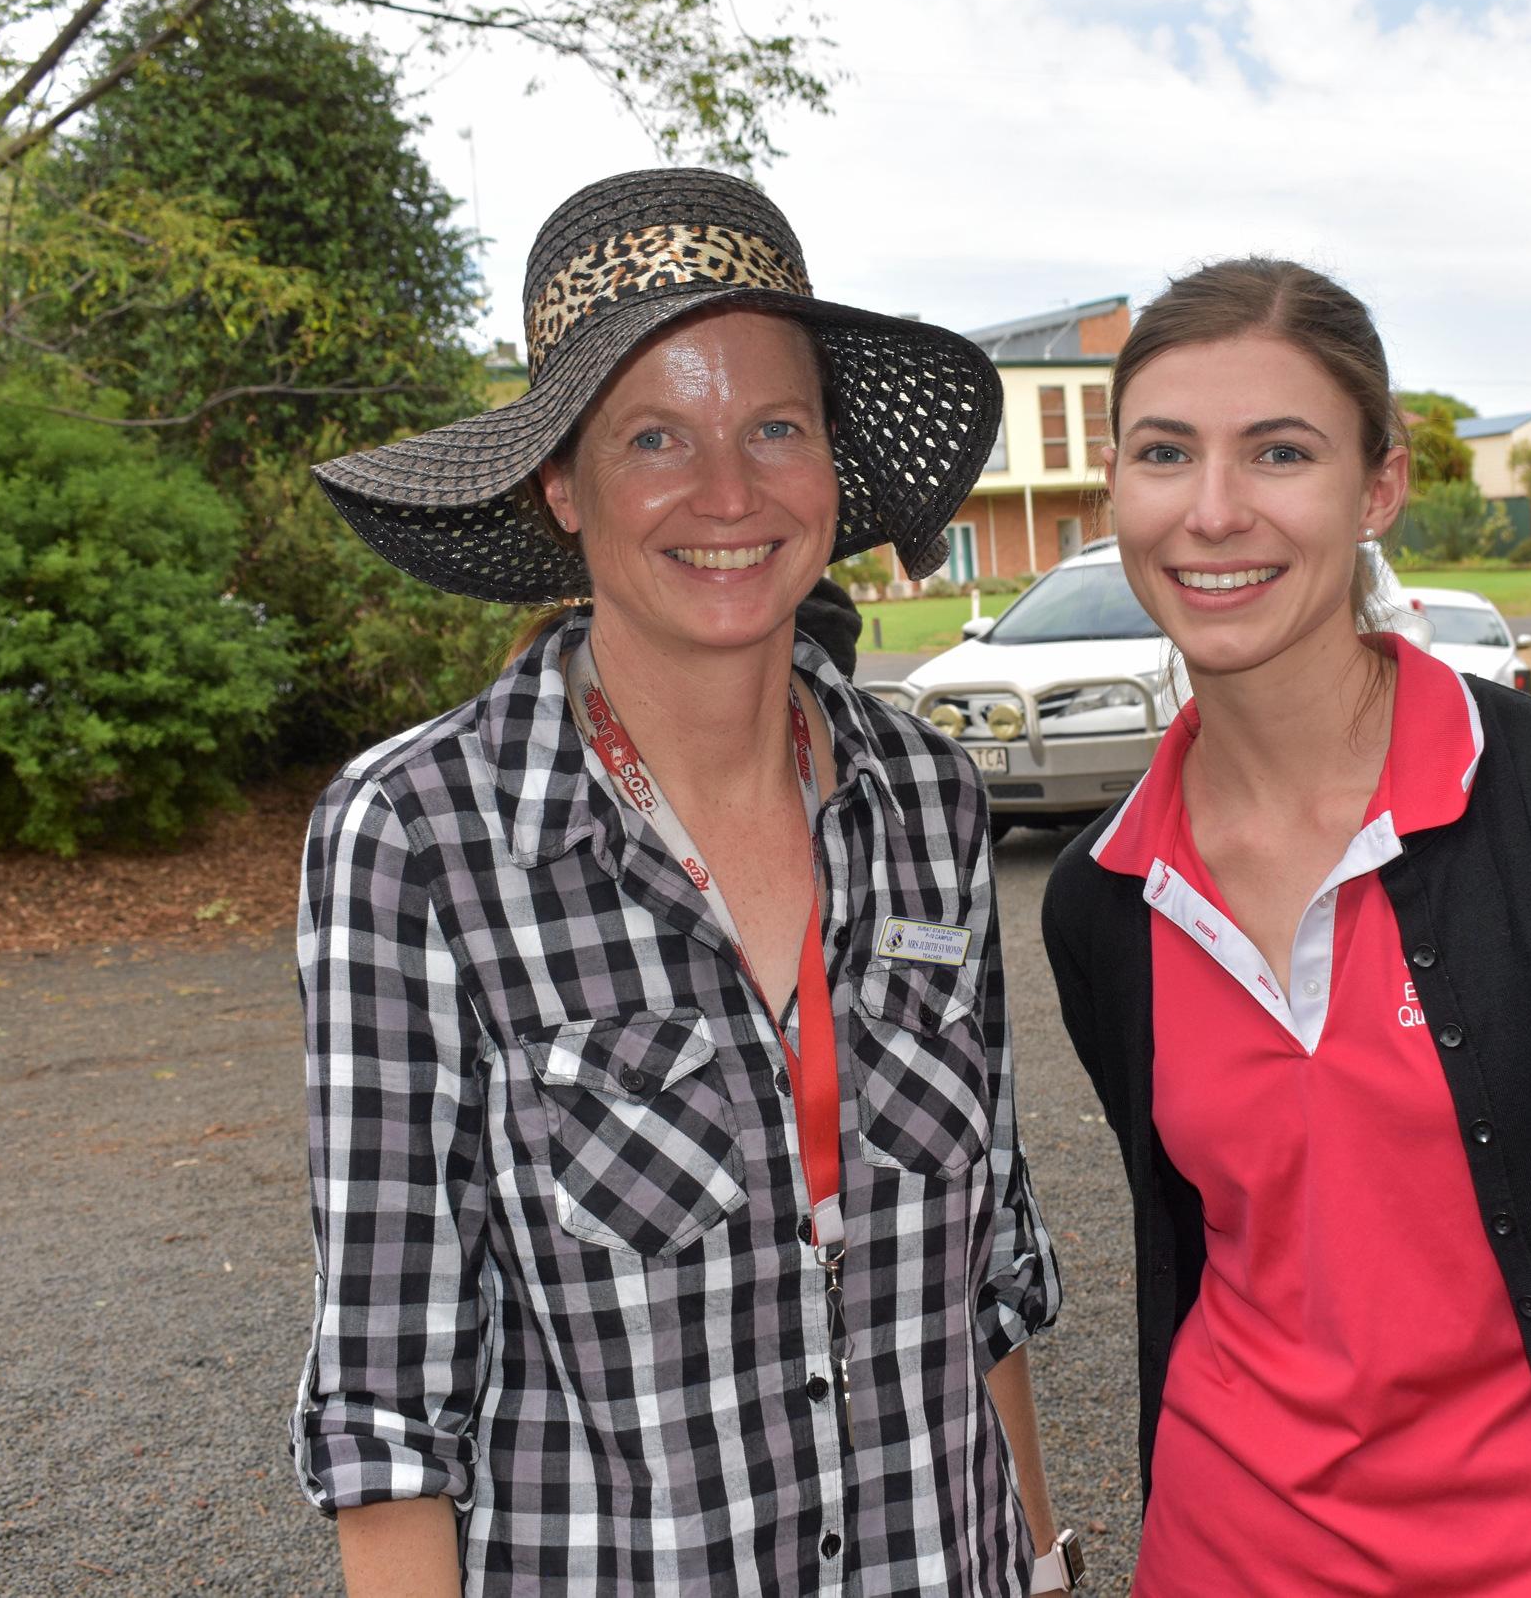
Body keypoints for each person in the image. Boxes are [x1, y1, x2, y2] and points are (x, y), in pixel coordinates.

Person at [291, 167, 1076, 1596]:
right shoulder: (419, 836)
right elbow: (390, 1404)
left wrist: (1039, 1564)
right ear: (561, 485)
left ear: (831, 467)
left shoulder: (928, 803)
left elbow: (984, 1286)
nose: (728, 490)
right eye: (654, 435)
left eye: (774, 425)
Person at [1040, 258, 1531, 1597]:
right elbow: (1200, 1248)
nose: (1212, 510)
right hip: (1223, 1557)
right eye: (1163, 453)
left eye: (1278, 452)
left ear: (1378, 486)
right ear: (1114, 489)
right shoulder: (1104, 897)